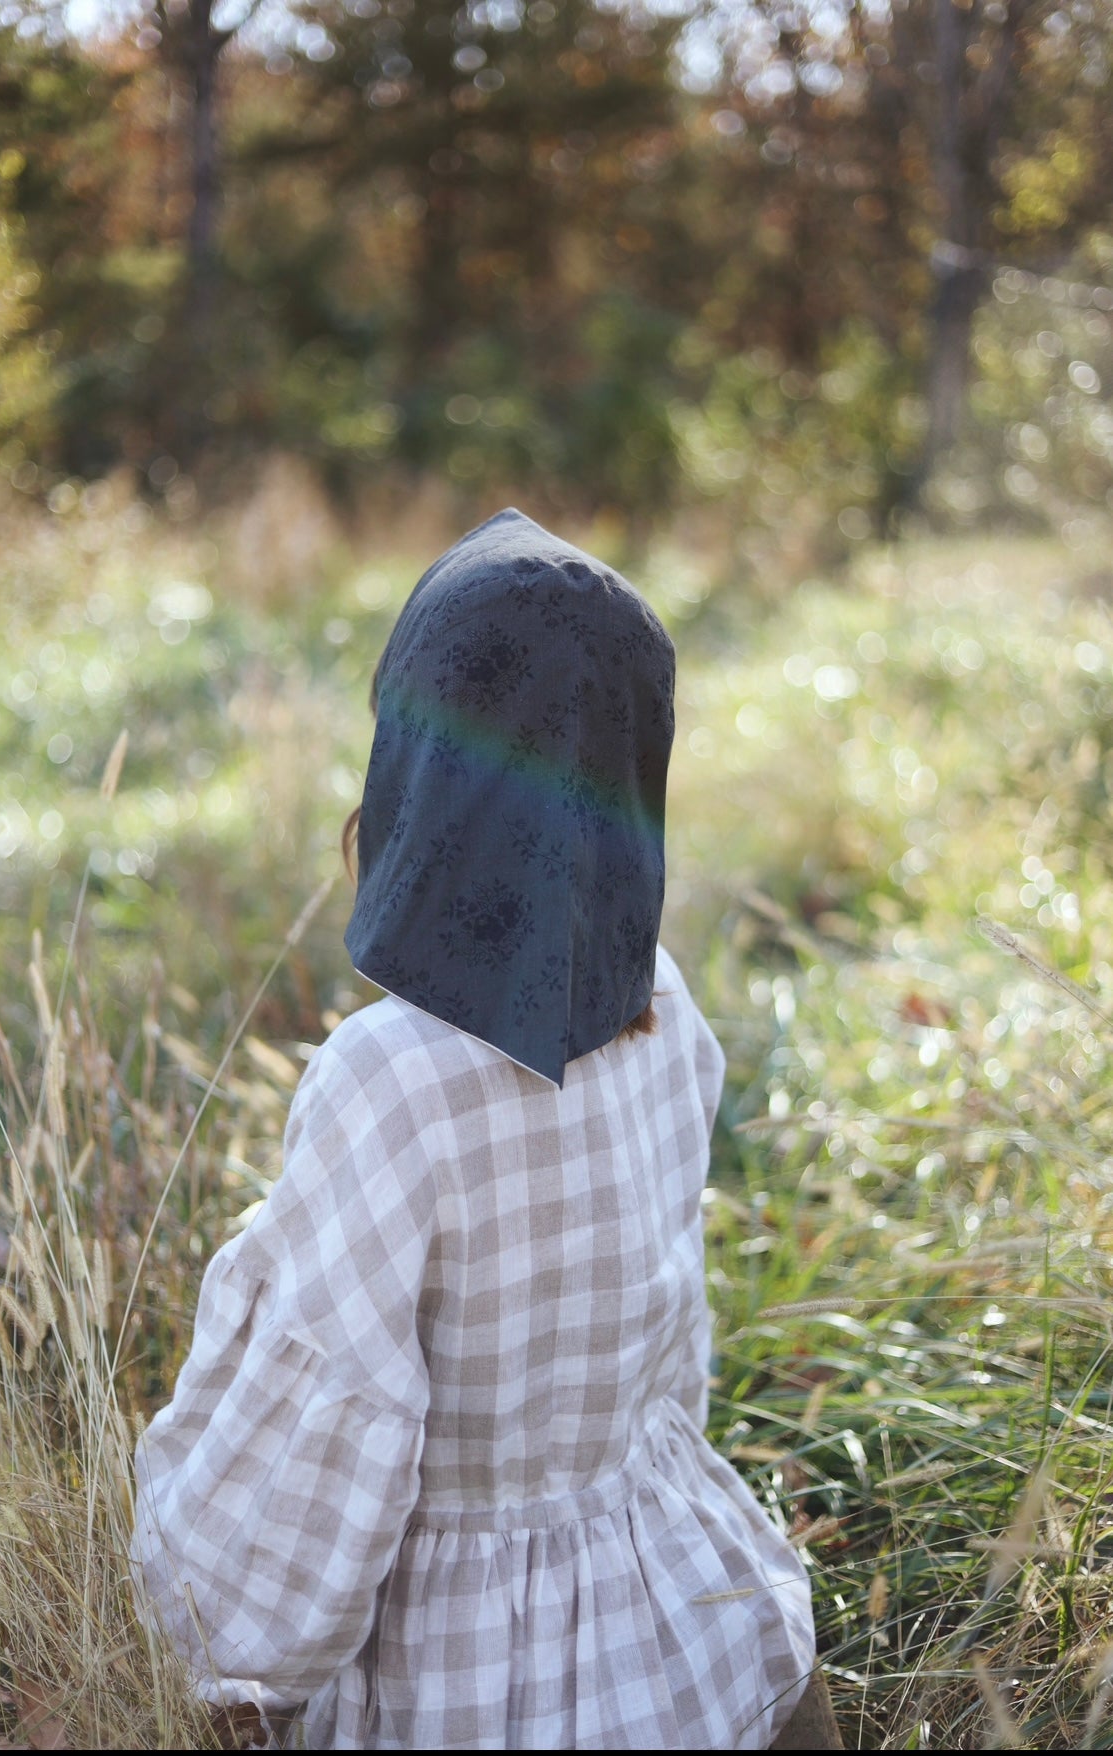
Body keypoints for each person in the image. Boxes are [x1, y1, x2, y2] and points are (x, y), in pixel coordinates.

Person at [130, 508, 834, 1750]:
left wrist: (222, 1643)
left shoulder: (387, 1082)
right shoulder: (666, 1007)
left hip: (470, 1676)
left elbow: (326, 1425)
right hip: (695, 1630)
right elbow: (674, 1350)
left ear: (417, 766)